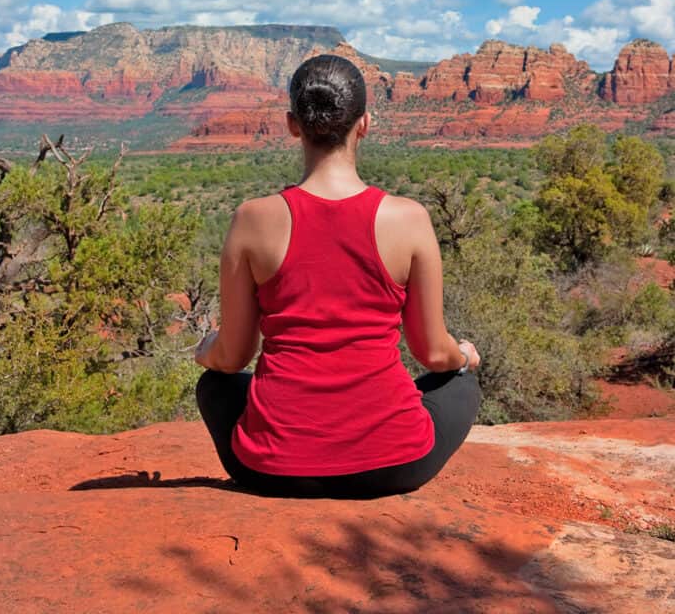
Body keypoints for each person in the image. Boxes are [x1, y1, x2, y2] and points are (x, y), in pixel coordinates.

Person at [195, 53, 482, 500]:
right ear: (364, 123)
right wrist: (465, 357)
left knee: (215, 383)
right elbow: (431, 352)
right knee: (459, 384)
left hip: (273, 469)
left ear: (293, 124)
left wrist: (206, 350)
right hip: (394, 465)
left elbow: (232, 357)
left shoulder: (251, 219)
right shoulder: (408, 219)